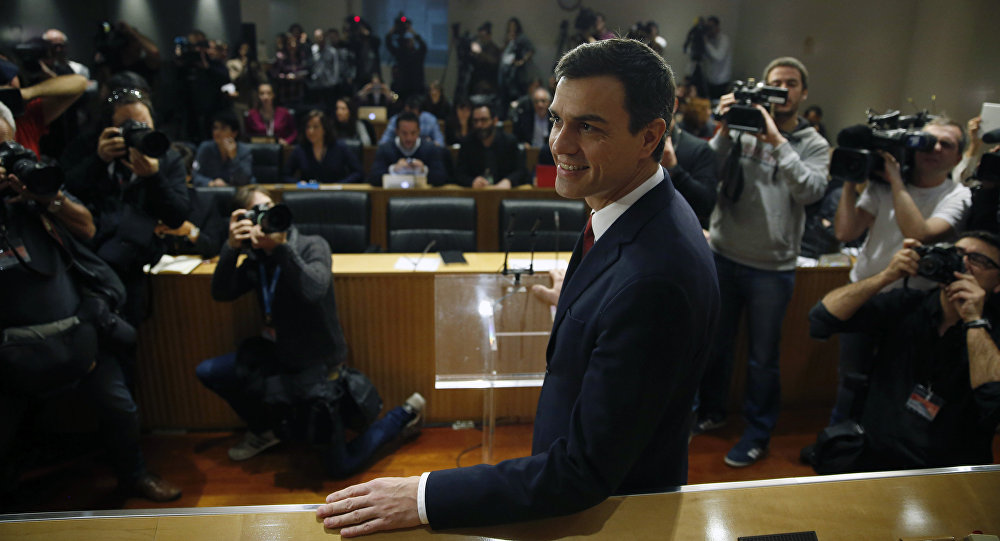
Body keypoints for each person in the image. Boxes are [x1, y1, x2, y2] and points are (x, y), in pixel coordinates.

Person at [316, 38, 719, 536]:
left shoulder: (655, 276)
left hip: (612, 519)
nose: (560, 143)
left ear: (648, 136)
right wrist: (579, 314)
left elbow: (581, 473)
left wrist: (422, 496)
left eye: (588, 126)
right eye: (556, 119)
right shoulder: (625, 203)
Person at [0, 107, 181, 502]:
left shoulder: (35, 178)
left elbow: (87, 226)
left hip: (76, 328)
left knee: (121, 408)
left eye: (5, 147)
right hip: (8, 346)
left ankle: (134, 475)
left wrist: (42, 194)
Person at [198, 186, 425, 473]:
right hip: (277, 356)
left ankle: (402, 416)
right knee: (210, 372)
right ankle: (266, 431)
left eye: (271, 206)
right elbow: (221, 292)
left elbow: (314, 289)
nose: (268, 216)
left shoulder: (311, 244)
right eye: (259, 212)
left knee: (338, 468)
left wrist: (279, 248)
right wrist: (230, 248)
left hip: (317, 364)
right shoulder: (257, 258)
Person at [693, 57, 830, 467]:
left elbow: (811, 191)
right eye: (775, 83)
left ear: (803, 92)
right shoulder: (743, 126)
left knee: (763, 358)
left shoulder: (813, 144)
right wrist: (724, 126)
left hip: (772, 267)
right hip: (723, 252)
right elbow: (708, 168)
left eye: (790, 84)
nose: (782, 90)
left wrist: (777, 142)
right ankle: (712, 411)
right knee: (714, 345)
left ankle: (758, 433)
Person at [807, 234, 1000, 471]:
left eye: (979, 260)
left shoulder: (992, 333)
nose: (963, 264)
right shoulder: (907, 305)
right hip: (875, 458)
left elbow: (995, 403)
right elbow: (821, 319)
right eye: (956, 253)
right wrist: (887, 275)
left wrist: (973, 320)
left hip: (947, 470)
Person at [830, 117, 970, 425]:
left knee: (895, 383)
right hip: (864, 296)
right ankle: (837, 448)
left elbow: (918, 232)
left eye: (945, 144)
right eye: (926, 140)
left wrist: (896, 180)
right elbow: (845, 230)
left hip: (913, 308)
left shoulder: (958, 196)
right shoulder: (882, 186)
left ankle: (880, 450)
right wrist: (851, 180)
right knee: (851, 379)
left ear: (958, 157)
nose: (933, 148)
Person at [63, 87, 190, 327]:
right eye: (127, 126)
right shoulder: (89, 149)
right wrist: (98, 162)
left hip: (136, 265)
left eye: (143, 125)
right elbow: (64, 193)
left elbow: (177, 216)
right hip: (88, 262)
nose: (137, 133)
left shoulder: (167, 157)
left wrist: (154, 177)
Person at [0, 58, 87, 159]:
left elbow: (80, 82)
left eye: (9, 81)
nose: (8, 86)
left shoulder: (25, 117)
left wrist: (26, 93)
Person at [660, 105, 719, 229]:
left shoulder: (699, 149)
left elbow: (706, 206)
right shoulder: (635, 142)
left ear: (674, 104)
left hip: (680, 233)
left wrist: (674, 169)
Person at [455, 102, 528, 189]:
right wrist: (472, 181)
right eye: (476, 121)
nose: (479, 125)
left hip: (505, 193)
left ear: (495, 121)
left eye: (484, 120)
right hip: (476, 193)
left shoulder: (509, 141)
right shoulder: (467, 143)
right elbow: (458, 174)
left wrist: (509, 181)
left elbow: (521, 171)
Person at [369, 112, 447, 187]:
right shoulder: (385, 149)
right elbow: (373, 179)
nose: (409, 138)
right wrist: (393, 169)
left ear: (419, 131)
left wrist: (424, 170)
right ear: (397, 132)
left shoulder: (431, 149)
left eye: (413, 133)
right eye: (404, 133)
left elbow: (441, 179)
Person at [285, 110, 362, 183]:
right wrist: (298, 183)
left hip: (336, 194)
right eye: (308, 127)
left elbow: (358, 173)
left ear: (325, 129)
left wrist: (341, 184)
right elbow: (285, 175)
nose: (310, 131)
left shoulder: (340, 147)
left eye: (315, 127)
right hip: (308, 193)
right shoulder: (300, 149)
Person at [192, 110, 255, 187]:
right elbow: (195, 175)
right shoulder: (205, 148)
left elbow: (245, 180)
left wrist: (234, 157)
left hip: (237, 194)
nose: (217, 132)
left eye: (223, 128)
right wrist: (210, 183)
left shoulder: (244, 151)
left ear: (234, 133)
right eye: (215, 128)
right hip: (211, 193)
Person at [497, 18, 535, 118]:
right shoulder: (508, 38)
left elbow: (531, 50)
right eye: (510, 25)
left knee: (517, 99)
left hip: (517, 75)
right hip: (505, 74)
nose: (512, 27)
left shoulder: (521, 38)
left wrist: (522, 61)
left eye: (514, 25)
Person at [385, 21, 427, 105]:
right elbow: (389, 44)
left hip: (416, 86)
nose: (409, 43)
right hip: (402, 87)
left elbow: (423, 47)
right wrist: (393, 30)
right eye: (407, 41)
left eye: (410, 40)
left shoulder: (417, 54)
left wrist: (413, 33)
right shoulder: (401, 54)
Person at [378, 96, 445, 147]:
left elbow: (440, 142)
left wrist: (430, 145)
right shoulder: (396, 120)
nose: (410, 117)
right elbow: (383, 142)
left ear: (420, 113)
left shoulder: (430, 119)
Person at [697, 16, 732, 100]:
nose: (709, 30)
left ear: (717, 27)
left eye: (711, 27)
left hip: (721, 80)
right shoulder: (710, 40)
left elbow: (718, 56)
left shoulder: (724, 39)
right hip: (710, 79)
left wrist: (706, 42)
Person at [468, 22, 500, 97]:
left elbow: (494, 62)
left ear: (489, 36)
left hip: (488, 86)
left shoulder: (493, 49)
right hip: (477, 85)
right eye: (480, 37)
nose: (481, 39)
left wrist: (480, 53)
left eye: (483, 36)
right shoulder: (482, 48)